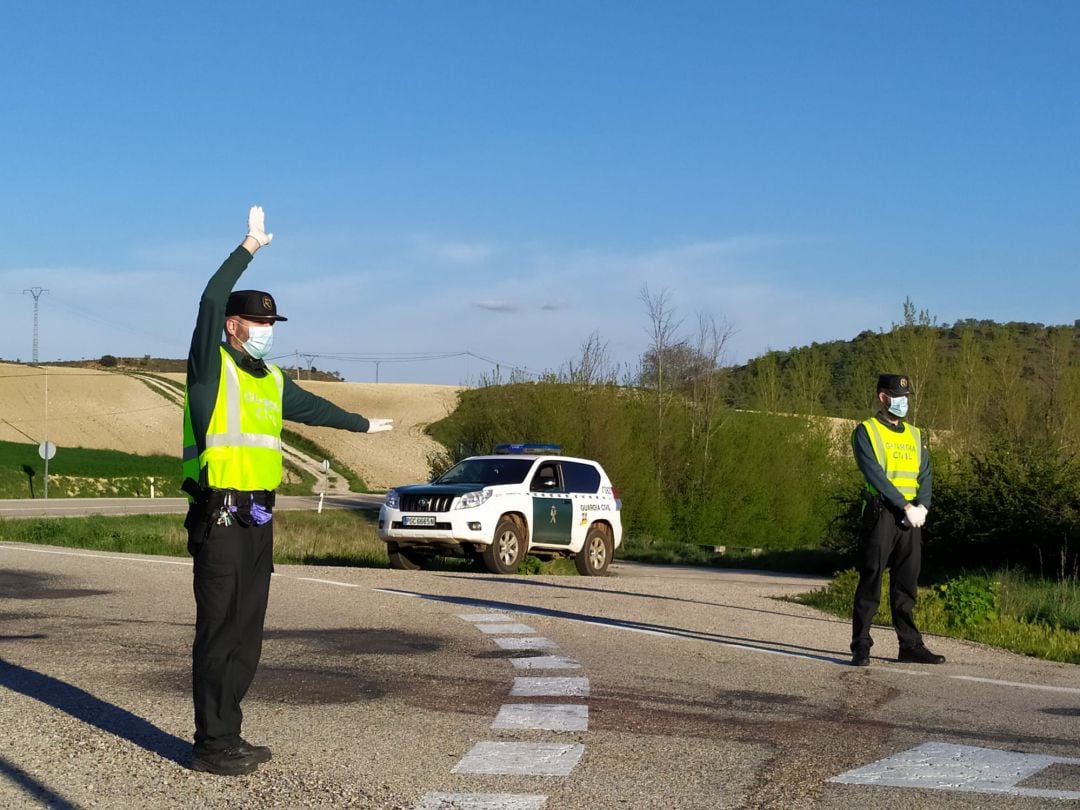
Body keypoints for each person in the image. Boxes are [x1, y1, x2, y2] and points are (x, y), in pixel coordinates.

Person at [182, 206, 393, 776]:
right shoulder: (209, 368)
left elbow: (315, 408)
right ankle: (210, 744)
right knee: (219, 633)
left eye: (273, 325)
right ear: (234, 326)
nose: (268, 333)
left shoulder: (272, 380)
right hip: (220, 522)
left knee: (248, 637)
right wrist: (248, 246)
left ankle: (229, 733)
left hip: (259, 523)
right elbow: (207, 299)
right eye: (260, 324)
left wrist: (361, 425)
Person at [849, 374, 944, 668]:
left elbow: (925, 472)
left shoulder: (916, 434)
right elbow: (874, 474)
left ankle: (910, 646)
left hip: (912, 517)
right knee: (871, 579)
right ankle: (861, 646)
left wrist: (923, 507)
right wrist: (904, 505)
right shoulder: (866, 431)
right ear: (882, 397)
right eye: (897, 396)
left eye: (906, 397)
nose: (904, 402)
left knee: (907, 584)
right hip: (882, 514)